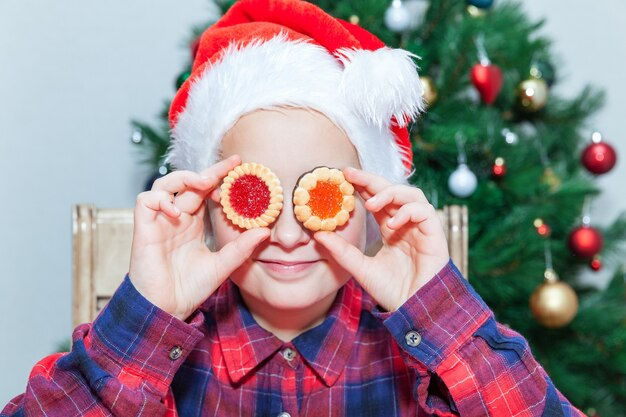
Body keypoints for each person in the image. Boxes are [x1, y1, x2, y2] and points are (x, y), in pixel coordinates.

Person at [2, 0, 585, 416]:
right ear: (207, 208)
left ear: (368, 204)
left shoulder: (427, 369)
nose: (285, 233)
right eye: (253, 197)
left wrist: (444, 319)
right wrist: (144, 317)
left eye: (321, 195)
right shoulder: (157, 361)